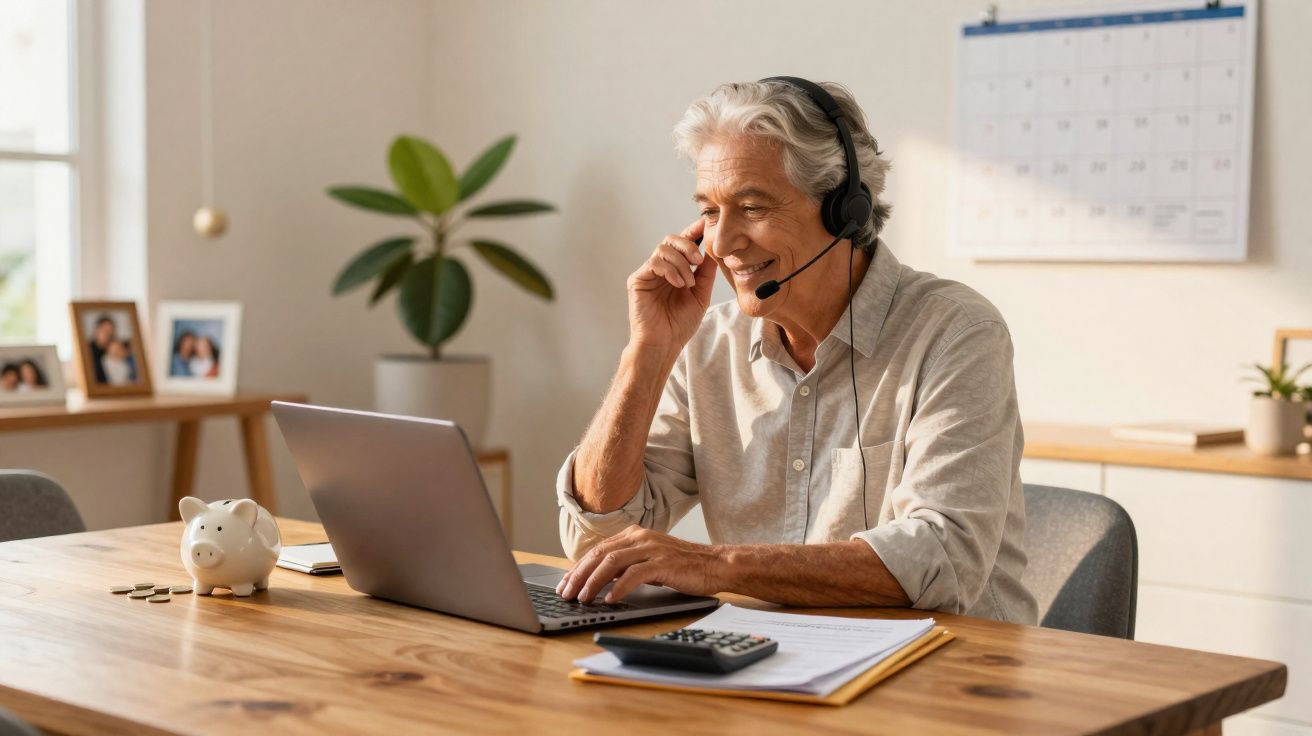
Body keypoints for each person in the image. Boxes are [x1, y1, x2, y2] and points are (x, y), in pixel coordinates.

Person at [554, 79, 1037, 624]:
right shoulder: (708, 343)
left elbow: (942, 560)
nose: (721, 243)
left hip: (949, 661)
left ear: (845, 210)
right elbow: (597, 536)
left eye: (751, 207)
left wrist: (713, 565)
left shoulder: (956, 333)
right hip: (766, 652)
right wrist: (647, 350)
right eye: (709, 212)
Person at [88, 315, 116, 384]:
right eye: (105, 331)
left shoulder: (114, 350)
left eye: (110, 332)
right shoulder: (88, 349)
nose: (107, 334)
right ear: (97, 330)